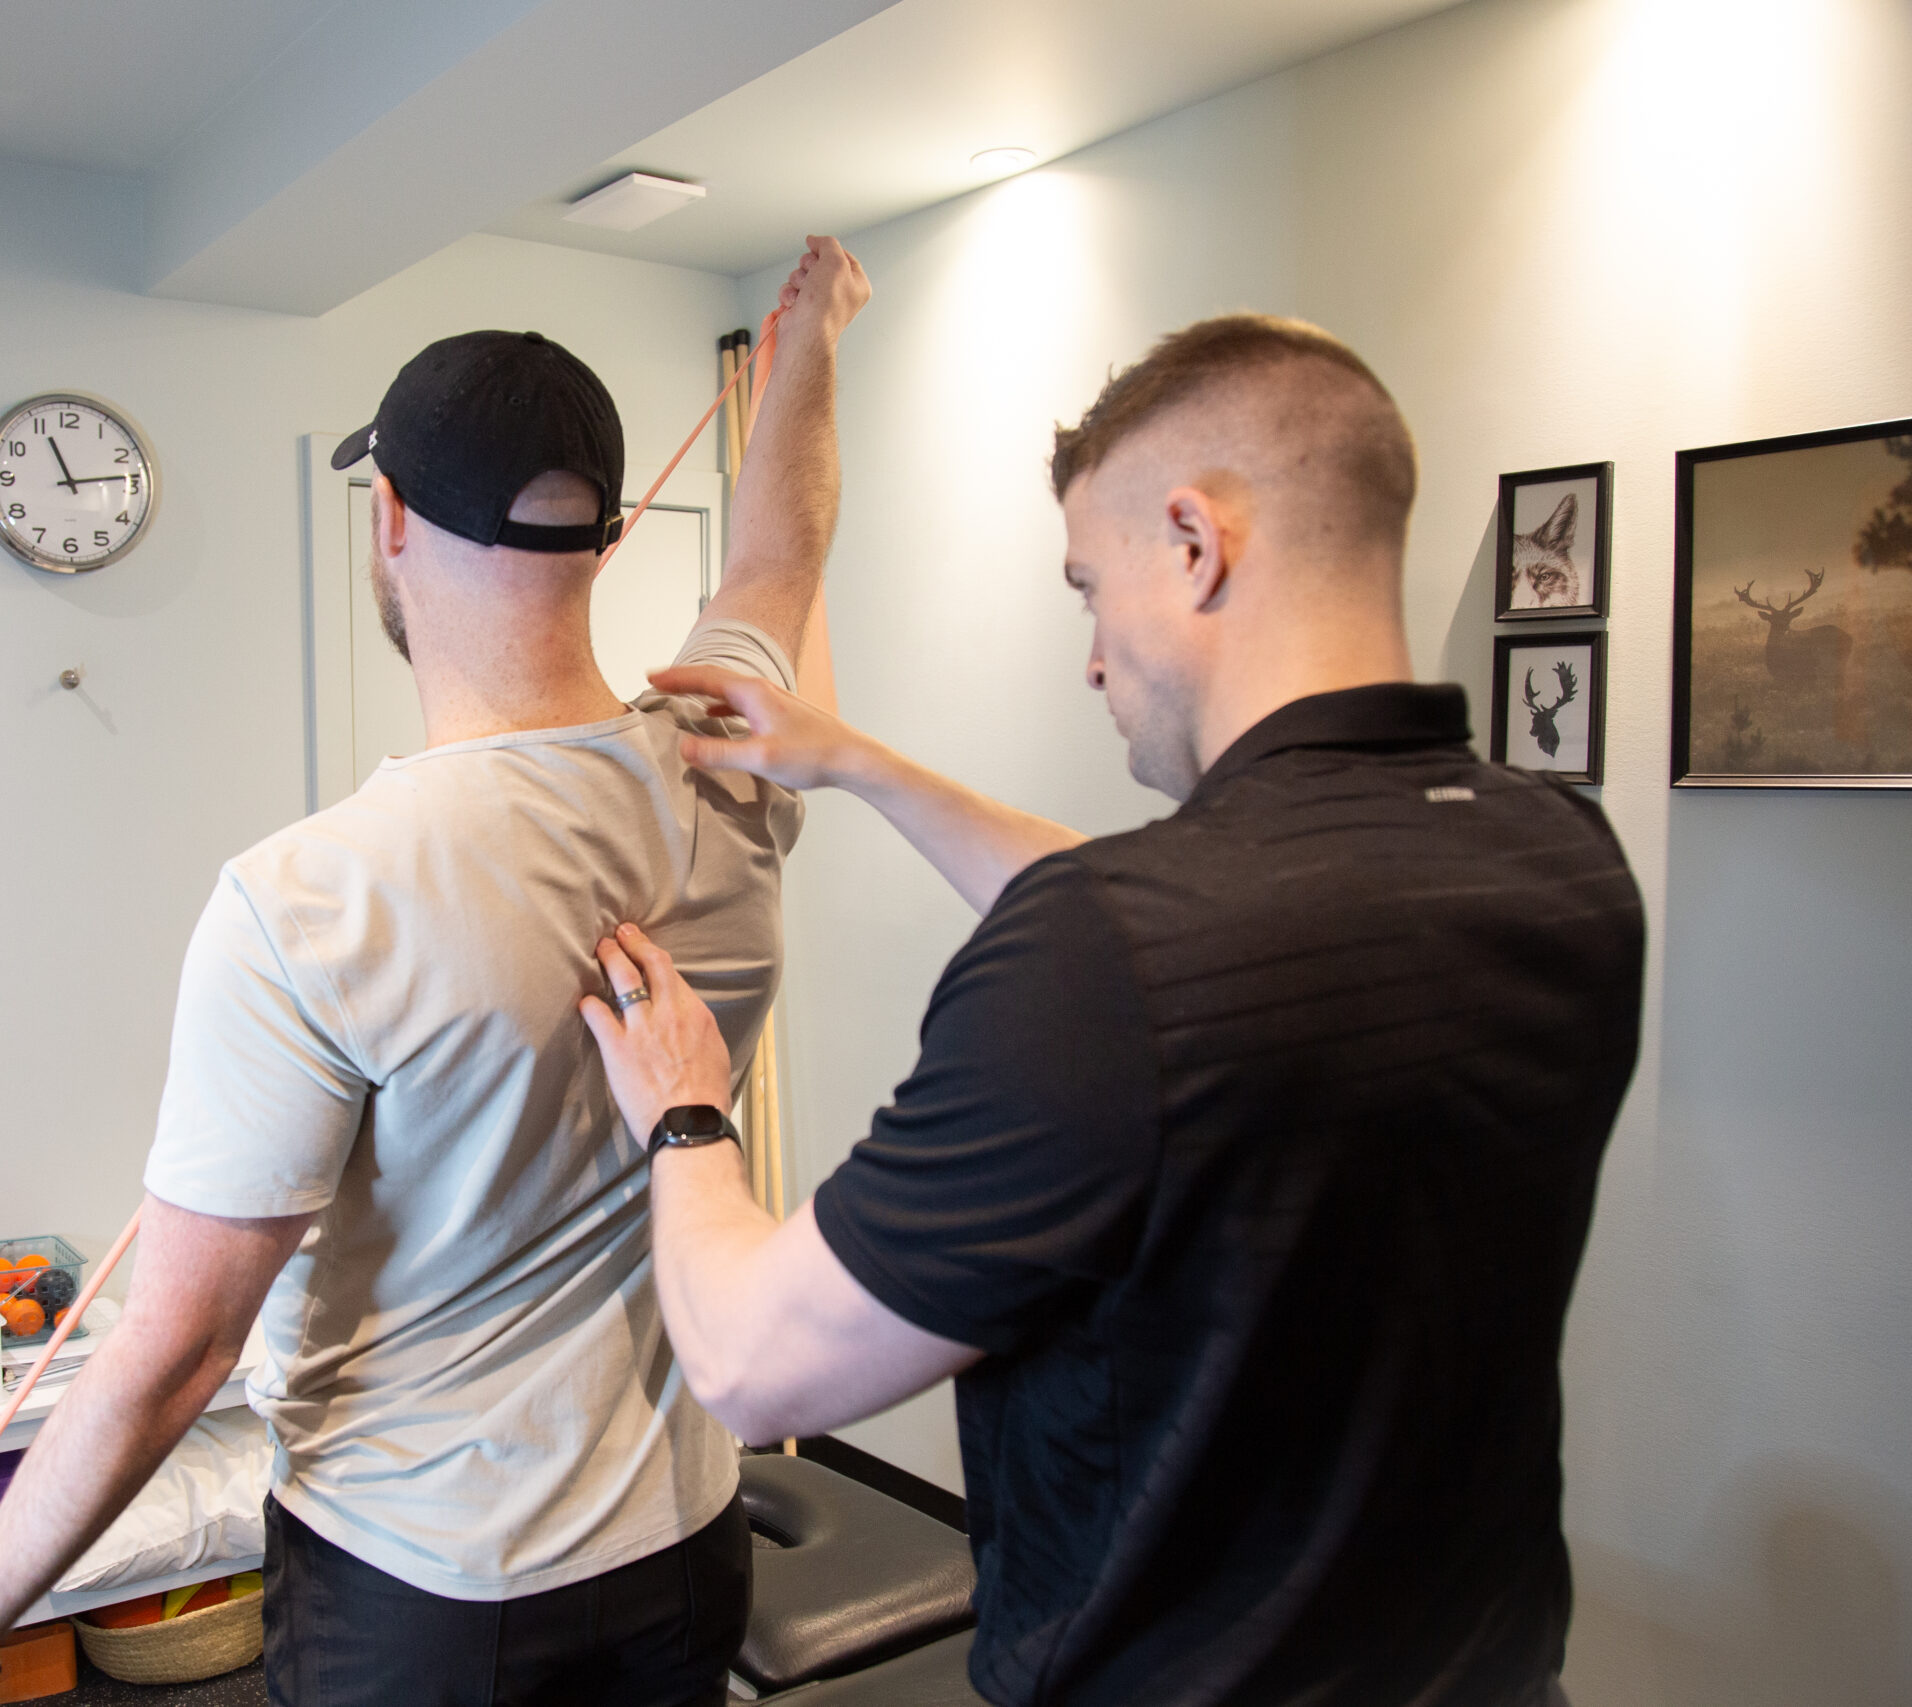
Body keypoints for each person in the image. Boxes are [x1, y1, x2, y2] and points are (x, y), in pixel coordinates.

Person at [0, 236, 870, 1707]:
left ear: (391, 518)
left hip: (427, 1601)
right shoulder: (739, 758)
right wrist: (811, 351)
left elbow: (170, 1359)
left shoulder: (302, 899)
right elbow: (782, 558)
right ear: (604, 537)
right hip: (682, 1547)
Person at [578, 315, 1646, 1707]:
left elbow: (749, 1359)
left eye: (1091, 586)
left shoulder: (1117, 955)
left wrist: (684, 1113)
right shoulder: (1560, 858)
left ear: (1195, 542)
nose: (1092, 654)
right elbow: (1198, 922)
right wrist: (856, 762)